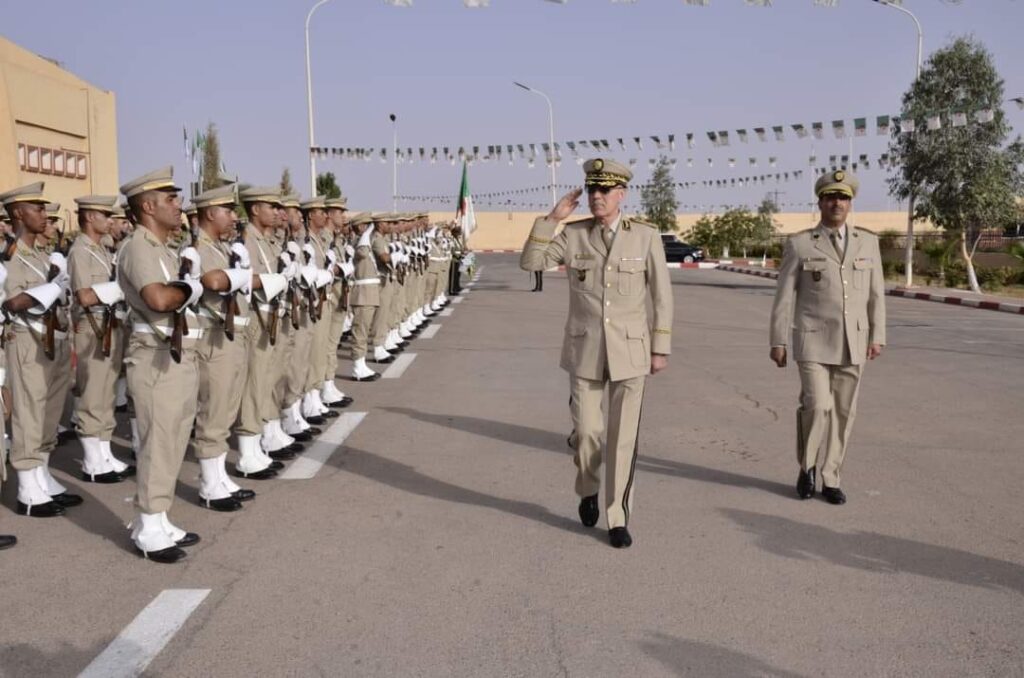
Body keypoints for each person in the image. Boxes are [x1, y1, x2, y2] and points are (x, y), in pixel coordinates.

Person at [520, 158, 673, 549]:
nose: (596, 197)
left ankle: (618, 516)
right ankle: (588, 487)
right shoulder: (574, 236)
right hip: (585, 350)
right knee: (588, 434)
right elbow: (531, 262)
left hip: (631, 353)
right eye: (592, 190)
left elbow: (662, 296)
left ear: (622, 194)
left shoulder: (644, 236)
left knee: (623, 440)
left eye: (604, 190)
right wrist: (553, 218)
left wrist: (660, 347)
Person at [769, 170, 885, 505]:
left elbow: (876, 294)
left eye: (843, 197)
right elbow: (784, 298)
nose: (837, 203)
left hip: (855, 341)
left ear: (850, 203)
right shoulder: (801, 243)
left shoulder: (868, 242)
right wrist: (778, 341)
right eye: (831, 197)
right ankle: (807, 467)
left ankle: (831, 476)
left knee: (843, 412)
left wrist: (877, 334)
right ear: (820, 201)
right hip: (813, 340)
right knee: (817, 406)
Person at [117, 166, 203, 563]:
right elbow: (159, 299)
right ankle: (148, 524)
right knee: (158, 441)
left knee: (173, 439)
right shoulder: (138, 248)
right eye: (170, 199)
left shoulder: (162, 248)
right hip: (154, 358)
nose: (178, 204)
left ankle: (160, 516)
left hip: (175, 357)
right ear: (148, 206)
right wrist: (192, 286)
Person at [1, 182, 79, 519]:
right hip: (28, 341)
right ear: (19, 213)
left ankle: (42, 473)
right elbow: (12, 302)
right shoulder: (10, 256)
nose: (44, 215)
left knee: (50, 411)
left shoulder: (42, 255)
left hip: (54, 341)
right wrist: (50, 287)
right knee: (30, 412)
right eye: (37, 208)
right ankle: (28, 485)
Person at [188, 184, 257, 511]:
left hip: (233, 336)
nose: (233, 216)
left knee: (227, 406)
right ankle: (208, 481)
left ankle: (218, 475)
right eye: (227, 211)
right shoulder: (198, 250)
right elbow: (213, 283)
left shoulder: (219, 248)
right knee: (213, 408)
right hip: (214, 338)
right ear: (209, 214)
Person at [68, 194, 134, 483]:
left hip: (110, 326)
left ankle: (104, 452)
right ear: (89, 217)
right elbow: (84, 295)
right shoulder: (80, 252)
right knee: (93, 392)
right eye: (105, 215)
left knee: (107, 392)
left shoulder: (103, 249)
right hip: (92, 327)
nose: (110, 220)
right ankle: (92, 461)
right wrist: (119, 290)